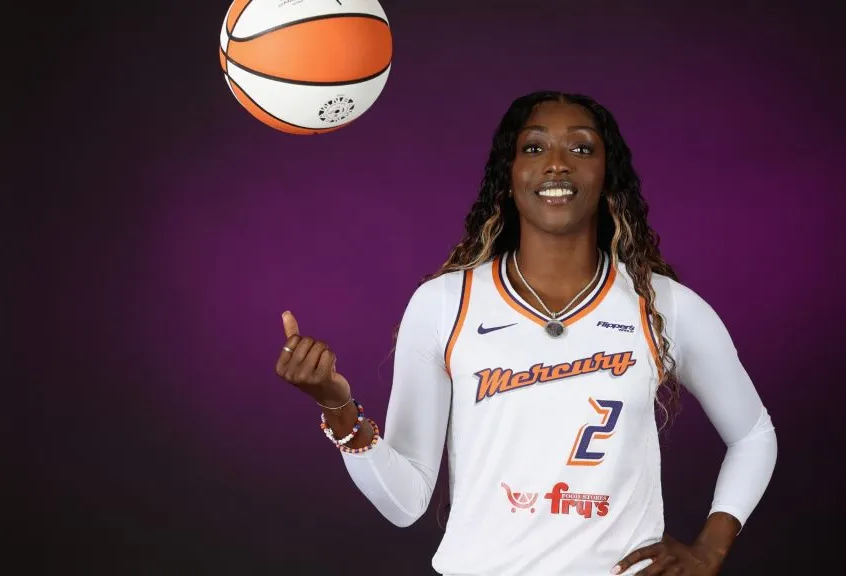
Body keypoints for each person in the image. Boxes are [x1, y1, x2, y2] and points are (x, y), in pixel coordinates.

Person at [275, 91, 778, 575]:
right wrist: (337, 408)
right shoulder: (445, 303)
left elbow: (753, 435)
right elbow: (405, 503)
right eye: (533, 147)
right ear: (509, 175)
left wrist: (711, 547)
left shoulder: (664, 305)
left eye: (581, 148)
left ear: (607, 176)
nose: (557, 163)